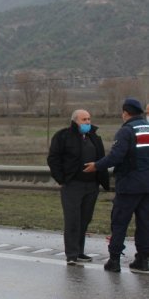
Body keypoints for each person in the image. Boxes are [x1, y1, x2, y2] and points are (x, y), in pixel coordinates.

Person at [84, 98, 149, 274]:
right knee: (145, 223)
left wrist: (96, 166)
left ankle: (114, 261)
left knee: (119, 222)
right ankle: (143, 260)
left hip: (129, 185)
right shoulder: (147, 128)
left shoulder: (126, 131)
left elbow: (115, 157)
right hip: (147, 185)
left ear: (125, 113)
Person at [48, 109, 109, 265]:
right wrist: (62, 179)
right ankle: (71, 254)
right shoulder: (63, 136)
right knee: (73, 220)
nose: (88, 122)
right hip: (72, 185)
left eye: (89, 119)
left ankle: (80, 251)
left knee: (85, 219)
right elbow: (53, 159)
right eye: (84, 119)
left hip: (91, 185)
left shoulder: (94, 137)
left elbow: (102, 158)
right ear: (75, 121)